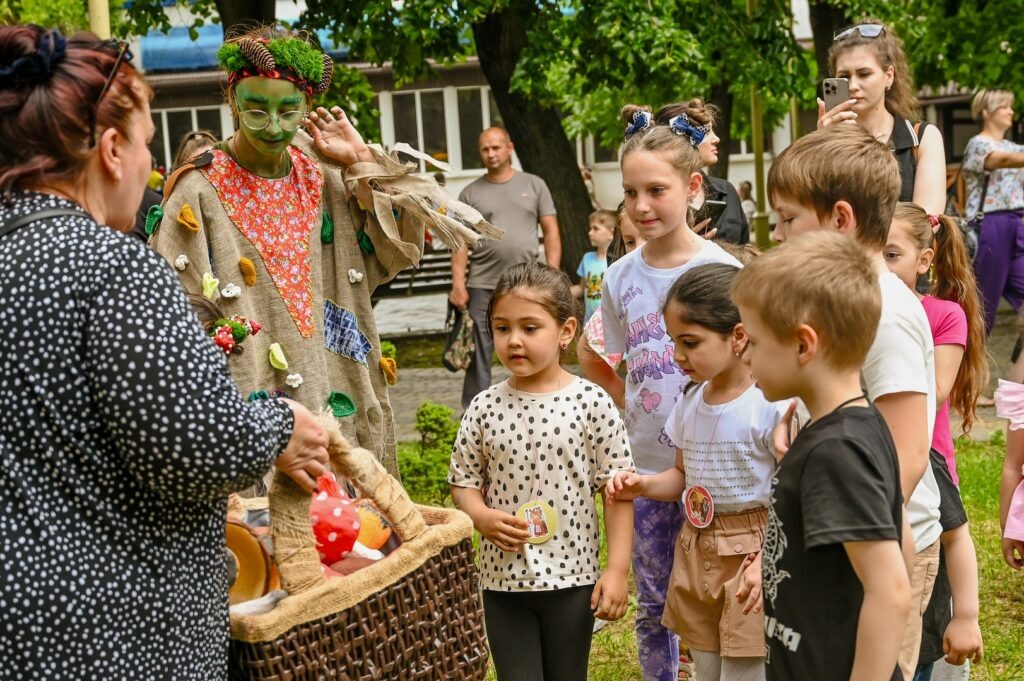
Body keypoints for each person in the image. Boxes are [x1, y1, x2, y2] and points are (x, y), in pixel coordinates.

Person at [0, 25, 329, 678]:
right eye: (149, 146)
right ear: (113, 149)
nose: (153, 170)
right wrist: (280, 423)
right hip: (114, 632)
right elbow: (198, 447)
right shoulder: (111, 267)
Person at [149, 27, 492, 478]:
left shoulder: (326, 169)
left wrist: (358, 159)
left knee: (355, 527)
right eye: (255, 111)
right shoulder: (197, 187)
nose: (273, 126)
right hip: (253, 398)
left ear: (307, 106)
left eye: (288, 111)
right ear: (232, 102)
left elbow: (393, 253)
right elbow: (174, 311)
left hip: (336, 380)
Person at [769, 124, 943, 681]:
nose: (776, 233)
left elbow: (906, 454)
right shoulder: (846, 296)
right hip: (837, 540)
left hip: (872, 550)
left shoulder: (883, 310)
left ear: (840, 219)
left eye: (788, 219)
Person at [602, 102, 741, 681]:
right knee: (656, 601)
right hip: (651, 473)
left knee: (718, 599)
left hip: (719, 471)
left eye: (655, 191)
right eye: (630, 192)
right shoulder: (618, 277)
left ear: (691, 186)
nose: (640, 207)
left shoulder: (725, 269)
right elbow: (611, 357)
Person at [732, 231, 911, 681]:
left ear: (803, 344)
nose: (746, 354)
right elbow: (902, 541)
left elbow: (890, 590)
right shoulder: (858, 424)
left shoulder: (836, 451)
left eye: (753, 341)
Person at [447, 262, 634, 681]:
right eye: (502, 328)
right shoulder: (483, 406)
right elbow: (464, 481)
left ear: (566, 331)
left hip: (573, 579)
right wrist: (479, 515)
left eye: (530, 328)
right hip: (502, 583)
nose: (514, 340)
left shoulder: (592, 402)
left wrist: (617, 570)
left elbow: (617, 490)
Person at [607, 263, 786, 681]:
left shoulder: (770, 404)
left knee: (745, 671)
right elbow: (683, 478)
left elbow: (792, 492)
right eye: (673, 342)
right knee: (706, 667)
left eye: (690, 342)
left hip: (752, 554)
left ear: (738, 336)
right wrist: (644, 485)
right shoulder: (689, 401)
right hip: (698, 547)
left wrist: (766, 559)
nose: (677, 356)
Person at [884, 203, 986, 680]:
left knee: (932, 595)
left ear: (924, 260)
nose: (881, 265)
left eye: (892, 254)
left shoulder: (942, 315)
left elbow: (938, 388)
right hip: (873, 460)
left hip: (925, 458)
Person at [450, 126, 561, 409]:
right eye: (485, 149)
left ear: (509, 148)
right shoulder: (470, 192)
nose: (491, 154)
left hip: (527, 285)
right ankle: (474, 413)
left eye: (496, 147)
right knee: (479, 353)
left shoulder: (534, 185)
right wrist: (458, 284)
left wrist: (553, 275)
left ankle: (536, 401)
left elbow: (551, 232)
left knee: (529, 342)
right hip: (481, 284)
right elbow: (459, 242)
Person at [820, 21, 946, 215]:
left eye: (864, 74)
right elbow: (816, 215)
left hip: (904, 246)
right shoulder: (826, 141)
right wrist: (822, 149)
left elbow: (927, 222)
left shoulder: (922, 137)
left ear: (889, 76)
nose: (853, 85)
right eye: (844, 76)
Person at [962, 89, 1024, 334]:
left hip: (1016, 224)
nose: (1011, 111)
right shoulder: (978, 144)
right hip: (990, 226)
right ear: (986, 112)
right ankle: (967, 366)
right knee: (984, 307)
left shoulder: (1012, 146)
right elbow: (1004, 161)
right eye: (1004, 107)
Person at [578, 203, 644, 406]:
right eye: (630, 242)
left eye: (649, 239)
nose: (639, 249)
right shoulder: (618, 277)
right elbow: (587, 349)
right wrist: (620, 395)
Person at [681, 98, 749, 244]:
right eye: (706, 132)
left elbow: (746, 249)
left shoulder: (727, 191)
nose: (716, 139)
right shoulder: (648, 202)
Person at [571, 208, 616, 323]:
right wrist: (560, 294)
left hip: (610, 323)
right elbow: (581, 288)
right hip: (589, 322)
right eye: (590, 228)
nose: (590, 232)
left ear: (611, 233)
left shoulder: (617, 261)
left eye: (596, 229)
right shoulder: (587, 258)